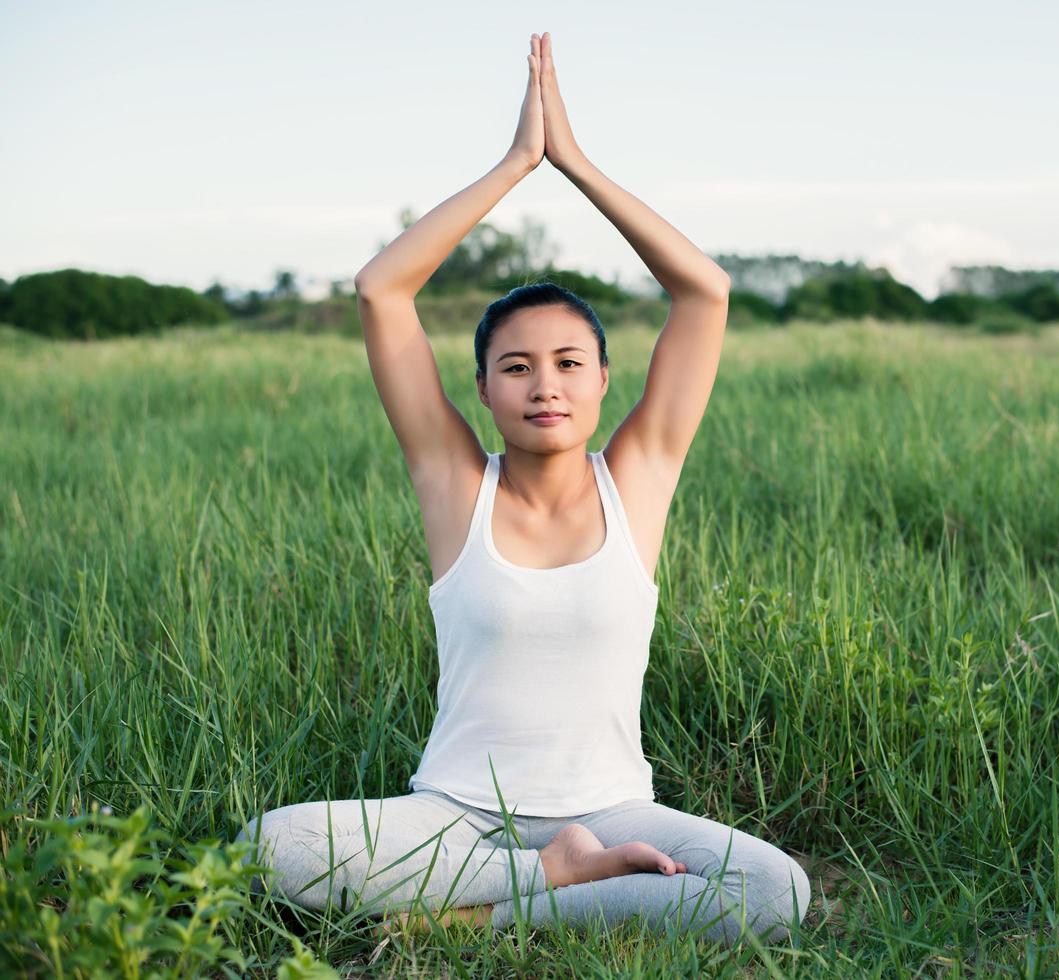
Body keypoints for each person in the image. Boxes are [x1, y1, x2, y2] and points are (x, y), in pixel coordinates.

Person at [234, 32, 811, 950]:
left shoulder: (639, 481)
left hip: (615, 810)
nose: (545, 384)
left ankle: (485, 914)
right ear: (484, 390)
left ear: (602, 380)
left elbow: (702, 292)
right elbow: (383, 289)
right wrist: (514, 166)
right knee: (273, 847)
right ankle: (550, 884)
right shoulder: (453, 484)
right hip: (457, 816)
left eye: (568, 362)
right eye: (516, 366)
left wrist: (573, 163)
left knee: (773, 890)